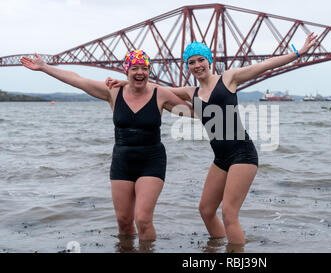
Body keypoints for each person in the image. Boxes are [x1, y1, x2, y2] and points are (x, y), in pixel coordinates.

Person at [106, 33, 318, 247]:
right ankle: (216, 247)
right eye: (191, 62)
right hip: (221, 158)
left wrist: (298, 53)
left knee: (228, 213)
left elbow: (265, 66)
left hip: (242, 153)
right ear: (187, 67)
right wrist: (127, 81)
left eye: (200, 60)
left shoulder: (229, 78)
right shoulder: (191, 92)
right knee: (206, 210)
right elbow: (151, 90)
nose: (197, 65)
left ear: (209, 60)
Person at [20, 50, 192, 243]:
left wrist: (216, 97)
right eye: (134, 68)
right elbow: (77, 79)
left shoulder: (160, 94)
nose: (140, 72)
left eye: (144, 68)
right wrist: (44, 68)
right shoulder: (113, 91)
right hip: (122, 161)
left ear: (149, 71)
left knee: (143, 220)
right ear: (126, 71)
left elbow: (192, 112)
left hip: (151, 160)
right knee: (124, 221)